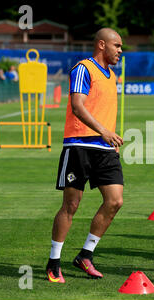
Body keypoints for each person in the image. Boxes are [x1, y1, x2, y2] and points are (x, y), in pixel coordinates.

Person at [45, 28, 124, 283]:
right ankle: (53, 261)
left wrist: (109, 138)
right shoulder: (83, 69)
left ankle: (85, 255)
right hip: (79, 145)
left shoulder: (112, 76)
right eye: (117, 46)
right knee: (71, 205)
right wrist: (105, 132)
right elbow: (78, 106)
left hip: (104, 148)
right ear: (102, 45)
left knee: (115, 201)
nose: (120, 51)